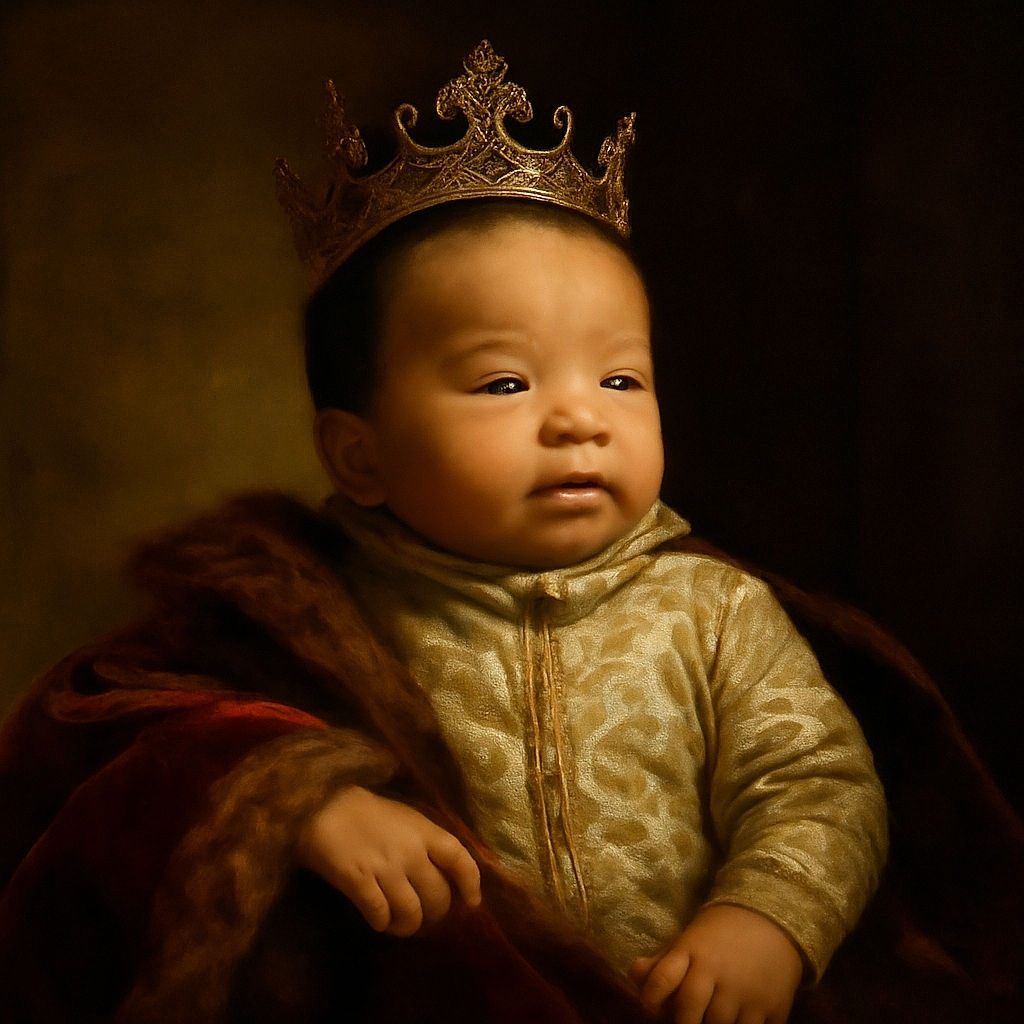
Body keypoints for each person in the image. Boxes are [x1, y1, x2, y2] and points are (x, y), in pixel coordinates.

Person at [0, 41, 1021, 1024]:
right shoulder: (308, 617)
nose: (581, 417)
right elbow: (128, 744)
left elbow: (818, 783)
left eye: (620, 378)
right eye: (505, 381)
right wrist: (300, 799)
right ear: (358, 456)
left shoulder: (715, 612)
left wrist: (763, 920)